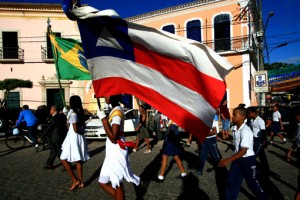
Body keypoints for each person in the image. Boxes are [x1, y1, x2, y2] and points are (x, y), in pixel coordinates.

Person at [218, 107, 268, 200]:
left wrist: (227, 161)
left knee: (253, 184)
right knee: (231, 181)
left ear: (242, 117)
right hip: (237, 159)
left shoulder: (245, 130)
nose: (232, 116)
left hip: (247, 160)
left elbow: (243, 151)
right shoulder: (235, 128)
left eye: (234, 115)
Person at [97, 95, 140, 199]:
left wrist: (103, 119)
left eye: (106, 95)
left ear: (112, 97)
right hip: (111, 152)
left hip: (116, 152)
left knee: (117, 183)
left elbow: (113, 137)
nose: (104, 97)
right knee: (102, 182)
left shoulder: (117, 112)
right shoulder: (114, 110)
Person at [60, 95, 90, 191]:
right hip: (78, 136)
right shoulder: (79, 111)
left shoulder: (73, 113)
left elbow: (75, 128)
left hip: (73, 136)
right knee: (78, 160)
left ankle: (75, 180)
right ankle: (81, 182)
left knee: (63, 158)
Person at [196, 110, 221, 175]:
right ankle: (199, 170)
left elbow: (214, 131)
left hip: (211, 139)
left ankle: (220, 169)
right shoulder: (202, 120)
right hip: (204, 140)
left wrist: (203, 135)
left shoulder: (211, 120)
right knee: (202, 155)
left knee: (215, 155)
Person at [286, 108, 300, 200]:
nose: (295, 119)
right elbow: (298, 140)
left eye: (296, 117)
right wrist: (290, 150)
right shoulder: (299, 125)